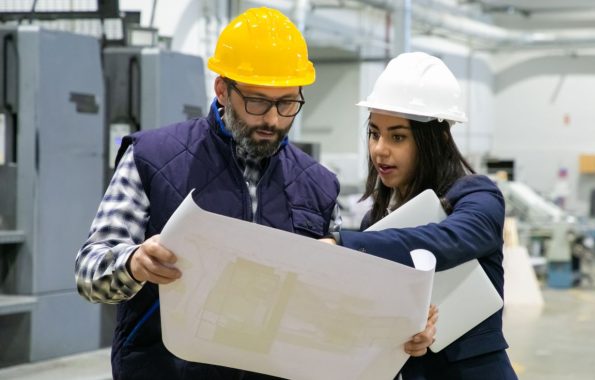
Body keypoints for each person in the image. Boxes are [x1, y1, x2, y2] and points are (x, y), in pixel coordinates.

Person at [75, 8, 435, 380]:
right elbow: (89, 273)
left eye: (287, 103)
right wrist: (133, 263)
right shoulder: (152, 157)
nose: (273, 120)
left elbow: (333, 304)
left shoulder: (319, 184)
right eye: (258, 102)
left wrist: (399, 330)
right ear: (222, 90)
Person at [320, 52, 518, 379]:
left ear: (436, 140)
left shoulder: (478, 198)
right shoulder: (377, 223)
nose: (380, 149)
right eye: (374, 133)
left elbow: (446, 240)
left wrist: (346, 246)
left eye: (397, 136)